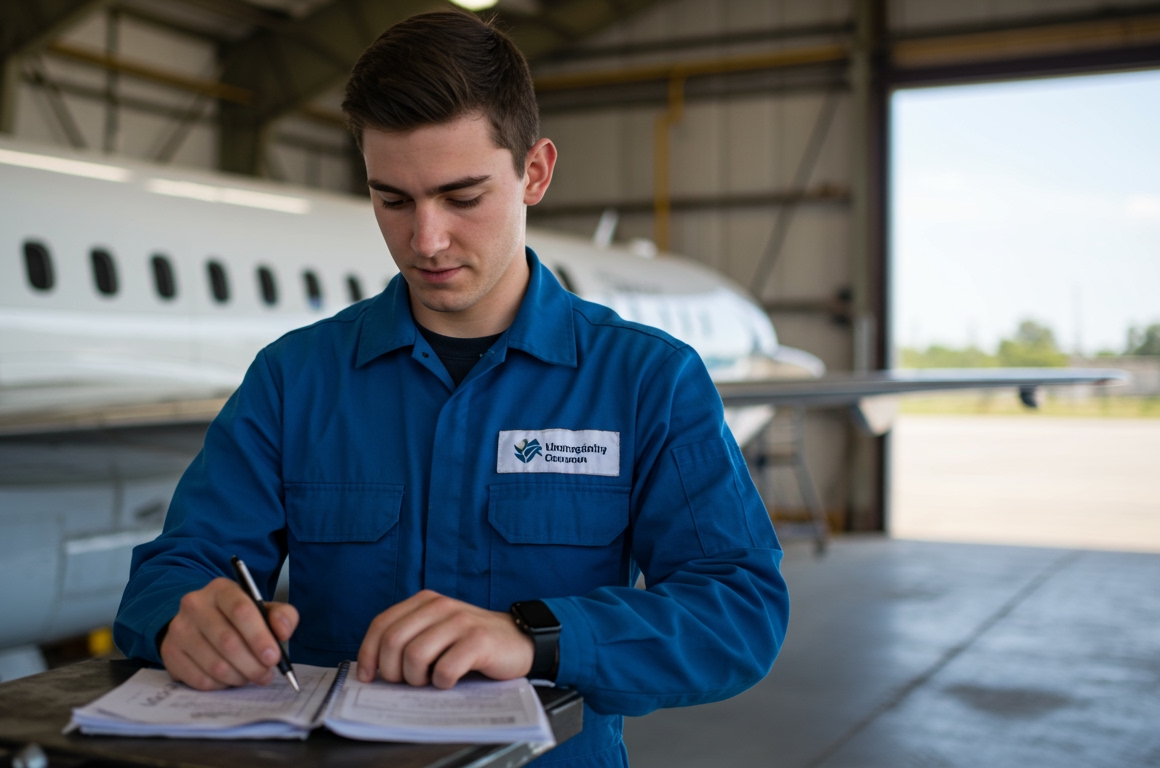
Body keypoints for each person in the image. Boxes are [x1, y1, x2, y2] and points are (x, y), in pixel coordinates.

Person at [114, 10, 788, 766]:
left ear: (534, 172)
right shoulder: (293, 379)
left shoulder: (646, 381)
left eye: (462, 197)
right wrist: (186, 618)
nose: (425, 240)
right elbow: (178, 564)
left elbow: (737, 610)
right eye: (393, 200)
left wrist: (535, 637)